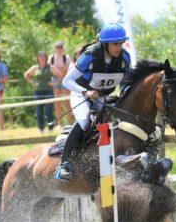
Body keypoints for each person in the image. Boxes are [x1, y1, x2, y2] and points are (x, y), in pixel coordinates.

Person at [54, 23, 132, 181]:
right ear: (104, 44)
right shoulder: (89, 55)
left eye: (121, 43)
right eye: (115, 44)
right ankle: (64, 164)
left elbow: (127, 80)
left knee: (116, 120)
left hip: (101, 97)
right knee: (84, 121)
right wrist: (85, 92)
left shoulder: (124, 57)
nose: (119, 47)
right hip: (81, 93)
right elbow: (66, 81)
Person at [24, 51, 63, 134]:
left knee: (48, 110)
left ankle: (50, 128)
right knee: (38, 111)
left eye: (43, 57)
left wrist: (54, 83)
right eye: (40, 57)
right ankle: (41, 128)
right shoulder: (35, 67)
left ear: (46, 58)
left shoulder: (50, 67)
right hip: (38, 92)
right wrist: (32, 82)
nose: (42, 58)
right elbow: (26, 75)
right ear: (37, 58)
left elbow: (60, 75)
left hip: (48, 91)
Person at [49, 41, 72, 128]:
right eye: (57, 47)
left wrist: (58, 72)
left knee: (66, 102)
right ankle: (59, 124)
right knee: (57, 102)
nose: (59, 49)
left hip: (64, 80)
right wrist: (60, 71)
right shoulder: (51, 58)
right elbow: (51, 69)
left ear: (62, 48)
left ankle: (69, 123)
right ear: (55, 48)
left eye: (60, 47)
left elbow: (67, 69)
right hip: (55, 80)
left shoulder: (66, 57)